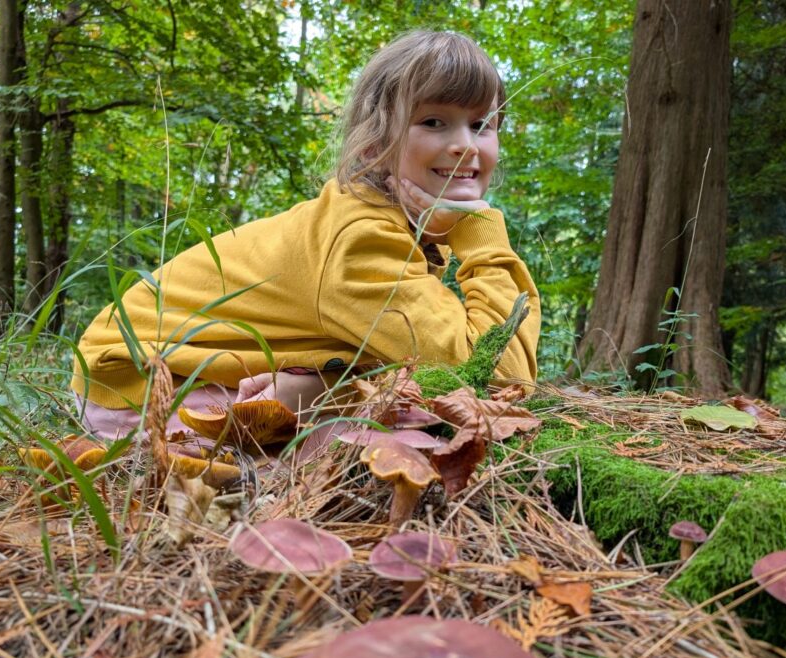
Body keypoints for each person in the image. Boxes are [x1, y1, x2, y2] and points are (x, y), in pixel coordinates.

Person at [70, 30, 541, 445]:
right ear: (377, 142)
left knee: (394, 407)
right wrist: (482, 234)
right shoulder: (362, 238)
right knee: (395, 436)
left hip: (165, 372)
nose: (465, 144)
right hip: (136, 385)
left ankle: (296, 395)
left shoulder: (389, 222)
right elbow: (499, 377)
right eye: (433, 122)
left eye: (482, 124)